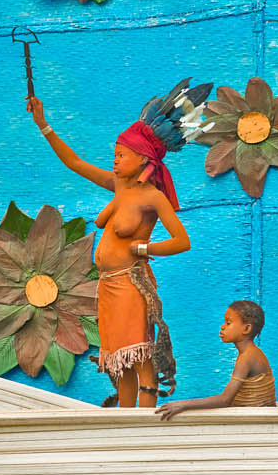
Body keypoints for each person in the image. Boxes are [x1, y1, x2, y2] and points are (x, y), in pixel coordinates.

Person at [27, 84, 205, 408]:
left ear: (143, 158)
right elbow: (74, 163)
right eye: (115, 155)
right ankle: (125, 419)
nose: (115, 162)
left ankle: (146, 422)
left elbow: (182, 241)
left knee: (139, 355)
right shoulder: (119, 186)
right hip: (107, 287)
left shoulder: (153, 197)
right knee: (119, 361)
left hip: (130, 285)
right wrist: (43, 124)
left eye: (122, 156)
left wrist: (144, 250)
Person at [156, 300, 275, 418]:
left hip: (256, 419)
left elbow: (225, 400)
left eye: (228, 323)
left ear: (246, 329)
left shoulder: (247, 357)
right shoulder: (250, 353)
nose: (222, 327)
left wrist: (183, 405)